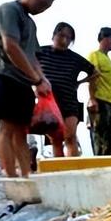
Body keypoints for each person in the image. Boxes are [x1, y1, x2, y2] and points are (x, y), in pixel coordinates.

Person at [0, 0, 56, 178]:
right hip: (4, 74)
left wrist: (43, 79)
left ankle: (25, 176)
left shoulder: (30, 23)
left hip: (23, 81)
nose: (42, 9)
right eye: (41, 3)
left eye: (46, 8)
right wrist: (36, 79)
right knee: (7, 128)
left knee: (21, 132)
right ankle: (10, 177)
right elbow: (11, 47)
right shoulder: (9, 10)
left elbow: (33, 56)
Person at [37, 22, 96, 157]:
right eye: (61, 35)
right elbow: (27, 67)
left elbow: (94, 72)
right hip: (48, 102)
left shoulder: (75, 58)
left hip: (69, 101)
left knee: (70, 136)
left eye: (69, 38)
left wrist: (79, 82)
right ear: (54, 35)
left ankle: (72, 168)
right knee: (55, 139)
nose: (64, 40)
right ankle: (59, 170)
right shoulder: (40, 52)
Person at [88, 27, 111, 155]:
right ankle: (99, 166)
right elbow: (92, 77)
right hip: (101, 102)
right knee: (101, 139)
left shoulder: (107, 58)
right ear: (106, 39)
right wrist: (92, 99)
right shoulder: (95, 55)